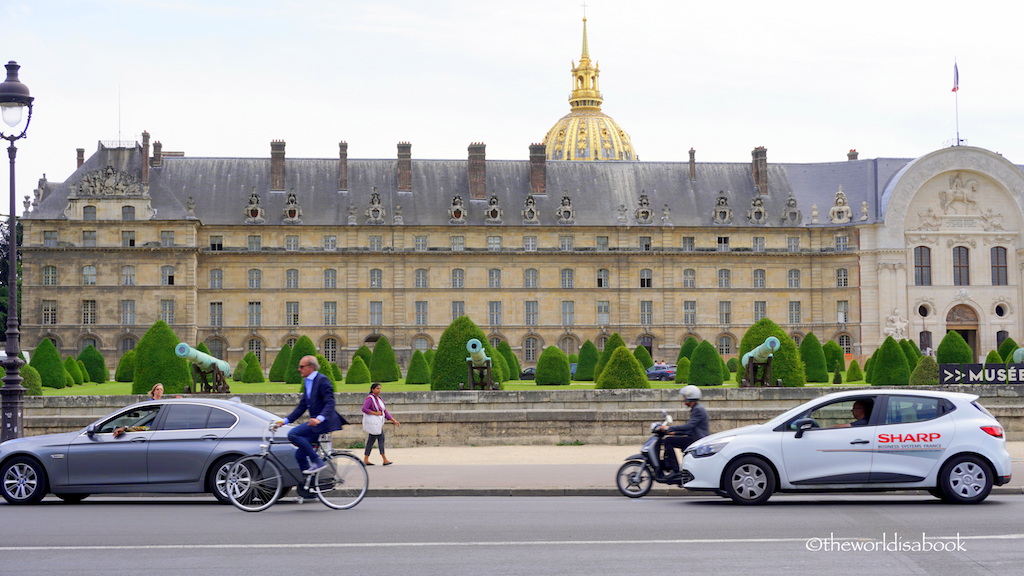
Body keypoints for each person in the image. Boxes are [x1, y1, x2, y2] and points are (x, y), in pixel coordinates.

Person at [273, 356, 345, 474]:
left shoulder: (323, 380)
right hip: (315, 423)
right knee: (300, 455)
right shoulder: (307, 382)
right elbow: (302, 406)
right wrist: (284, 421)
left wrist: (319, 419)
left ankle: (317, 461)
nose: (299, 369)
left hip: (324, 422)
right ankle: (310, 489)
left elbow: (330, 403)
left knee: (293, 434)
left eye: (301, 366)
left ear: (310, 367)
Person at [658, 385, 709, 473]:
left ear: (690, 397)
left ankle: (675, 470)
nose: (683, 399)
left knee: (668, 441)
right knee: (670, 439)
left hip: (696, 440)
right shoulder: (696, 409)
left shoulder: (698, 410)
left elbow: (689, 426)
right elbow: (690, 428)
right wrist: (674, 433)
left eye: (684, 396)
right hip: (694, 437)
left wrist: (669, 428)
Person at [362, 382, 400, 465]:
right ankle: (384, 459)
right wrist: (375, 413)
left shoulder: (379, 399)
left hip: (377, 424)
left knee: (371, 441)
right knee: (380, 440)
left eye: (380, 388)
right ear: (372, 389)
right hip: (375, 424)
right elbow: (364, 409)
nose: (379, 390)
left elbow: (384, 411)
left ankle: (366, 459)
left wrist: (393, 420)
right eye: (377, 388)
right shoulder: (370, 399)